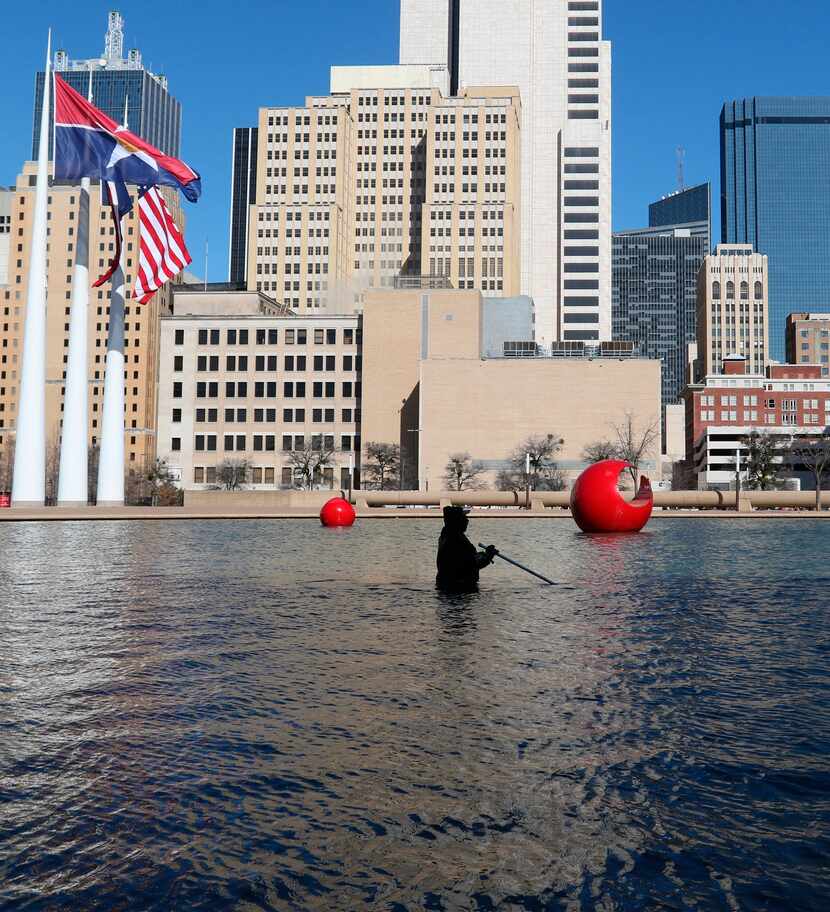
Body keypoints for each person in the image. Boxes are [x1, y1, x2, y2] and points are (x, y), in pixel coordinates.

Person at [436, 506, 497, 592]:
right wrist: (488, 556)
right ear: (456, 521)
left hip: (448, 585)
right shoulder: (456, 540)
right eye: (464, 517)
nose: (467, 520)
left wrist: (484, 554)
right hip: (459, 587)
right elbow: (472, 564)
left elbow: (468, 558)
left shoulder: (447, 536)